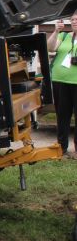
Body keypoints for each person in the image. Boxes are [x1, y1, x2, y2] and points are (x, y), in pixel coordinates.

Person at [47, 11, 77, 158]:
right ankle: (61, 147)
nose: (74, 21)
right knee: (62, 116)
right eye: (72, 19)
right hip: (60, 81)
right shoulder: (64, 36)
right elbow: (50, 47)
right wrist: (56, 30)